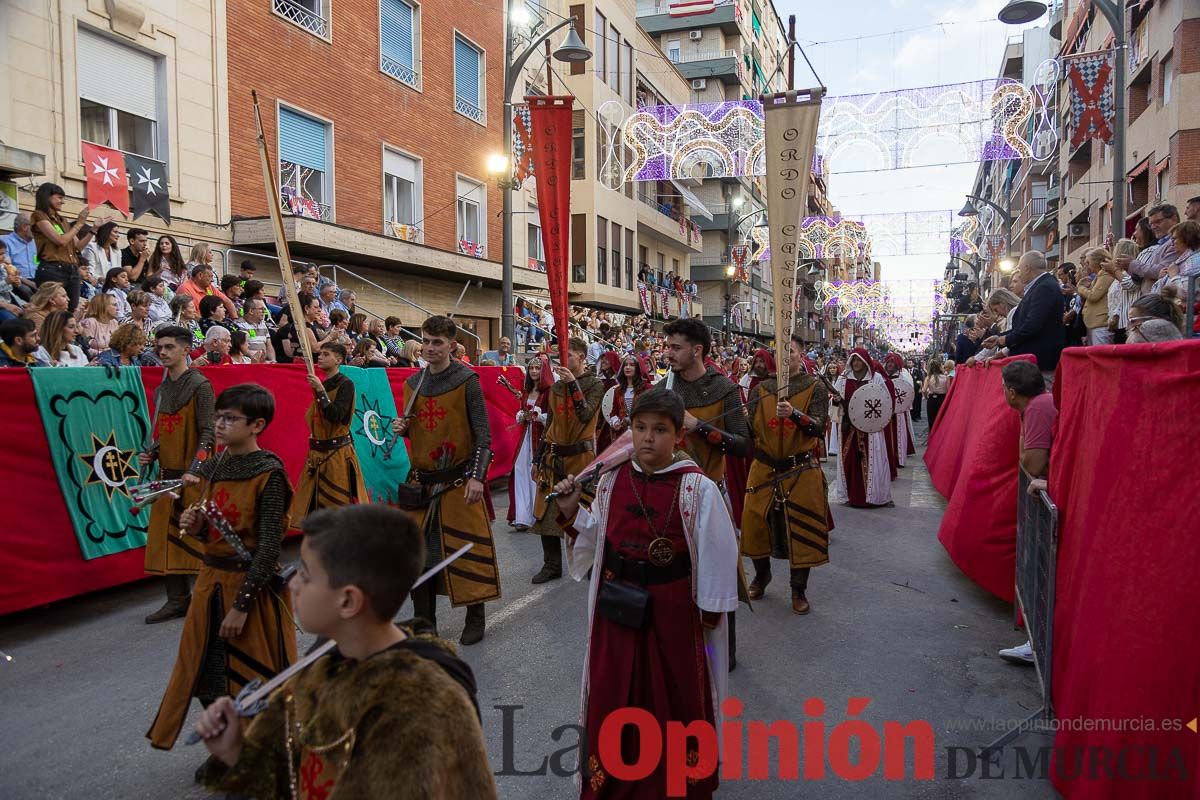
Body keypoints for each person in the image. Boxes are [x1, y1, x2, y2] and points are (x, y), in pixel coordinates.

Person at [193, 504, 498, 798]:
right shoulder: (319, 669)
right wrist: (235, 753)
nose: (292, 583)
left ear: (348, 602)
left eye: (306, 574)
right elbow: (292, 778)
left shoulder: (419, 702)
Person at [552, 388, 739, 799]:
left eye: (659, 430)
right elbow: (596, 539)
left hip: (673, 614)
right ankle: (612, 782)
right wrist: (569, 511)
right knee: (613, 692)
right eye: (640, 428)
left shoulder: (697, 489)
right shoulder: (611, 481)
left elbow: (717, 554)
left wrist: (704, 623)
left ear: (679, 437)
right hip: (616, 611)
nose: (648, 438)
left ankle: (675, 785)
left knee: (670, 698)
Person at [148, 383, 298, 749]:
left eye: (230, 418)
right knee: (205, 674)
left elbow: (266, 548)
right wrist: (197, 528)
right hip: (210, 582)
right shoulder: (214, 467)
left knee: (252, 675)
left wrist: (242, 607)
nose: (219, 424)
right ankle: (228, 748)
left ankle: (260, 753)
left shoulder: (269, 474)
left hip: (250, 588)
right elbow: (214, 534)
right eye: (217, 417)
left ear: (256, 425)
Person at [390, 316, 498, 643]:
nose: (429, 348)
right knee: (420, 556)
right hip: (421, 483)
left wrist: (477, 478)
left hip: (458, 482)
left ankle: (474, 617)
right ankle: (424, 622)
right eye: (425, 341)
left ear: (452, 345)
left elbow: (483, 434)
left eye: (437, 342)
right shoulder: (414, 383)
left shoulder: (467, 380)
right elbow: (424, 428)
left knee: (467, 552)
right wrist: (404, 428)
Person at [742, 334, 832, 616]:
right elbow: (751, 430)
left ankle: (798, 589)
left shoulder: (815, 388)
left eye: (791, 351)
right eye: (780, 352)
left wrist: (795, 414)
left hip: (800, 467)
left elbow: (818, 428)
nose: (786, 357)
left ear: (801, 353)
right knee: (755, 523)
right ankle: (762, 575)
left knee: (802, 528)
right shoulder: (761, 390)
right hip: (765, 466)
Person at [139, 326, 216, 622]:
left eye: (170, 346)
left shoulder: (200, 385)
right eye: (160, 346)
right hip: (167, 474)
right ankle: (177, 600)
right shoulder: (163, 388)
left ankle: (213, 595)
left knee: (200, 536)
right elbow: (169, 430)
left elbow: (207, 432)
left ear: (186, 349)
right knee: (167, 538)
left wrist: (196, 469)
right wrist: (154, 451)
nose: (163, 351)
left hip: (193, 474)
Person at [528, 338, 607, 585]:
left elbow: (585, 415)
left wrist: (573, 384)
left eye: (570, 356)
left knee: (582, 513)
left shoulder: (595, 385)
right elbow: (550, 423)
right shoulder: (556, 387)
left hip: (579, 458)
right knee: (545, 512)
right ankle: (551, 565)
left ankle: (590, 563)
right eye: (562, 357)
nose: (565, 361)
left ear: (583, 357)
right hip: (553, 457)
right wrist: (537, 458)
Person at [997, 360, 1056, 667]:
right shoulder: (1037, 406)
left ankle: (1038, 645)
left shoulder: (1036, 409)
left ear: (1012, 390)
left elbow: (1031, 464)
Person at [291, 343, 364, 520]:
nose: (320, 357)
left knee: (336, 505)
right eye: (320, 353)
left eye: (326, 354)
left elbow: (336, 415)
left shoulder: (346, 384)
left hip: (336, 454)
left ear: (338, 360)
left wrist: (321, 391)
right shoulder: (324, 383)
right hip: (318, 453)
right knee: (314, 506)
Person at [982, 251, 1065, 384]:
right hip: (1033, 362)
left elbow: (1032, 325)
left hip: (1040, 361)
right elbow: (1024, 325)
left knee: (1039, 401)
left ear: (1027, 268)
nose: (1019, 273)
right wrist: (999, 338)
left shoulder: (1045, 287)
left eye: (1019, 269)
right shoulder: (1040, 287)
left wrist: (1005, 339)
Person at [833, 349, 893, 508]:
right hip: (849, 427)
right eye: (853, 361)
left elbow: (884, 401)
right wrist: (837, 400)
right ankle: (851, 495)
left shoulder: (876, 378)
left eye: (859, 360)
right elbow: (833, 402)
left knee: (873, 460)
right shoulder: (843, 380)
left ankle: (873, 496)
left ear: (866, 362)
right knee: (850, 460)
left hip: (871, 429)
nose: (856, 364)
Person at [509, 352, 553, 531]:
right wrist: (521, 415)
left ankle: (537, 514)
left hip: (540, 439)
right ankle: (522, 516)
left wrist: (539, 416)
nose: (534, 371)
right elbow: (521, 409)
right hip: (526, 436)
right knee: (520, 471)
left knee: (536, 474)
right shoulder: (527, 390)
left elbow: (552, 416)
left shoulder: (549, 391)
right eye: (531, 368)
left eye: (537, 368)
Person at [31, 182, 90, 312]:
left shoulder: (62, 220)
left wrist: (94, 230)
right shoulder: (39, 215)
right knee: (53, 311)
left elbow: (78, 247)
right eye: (59, 197)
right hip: (53, 269)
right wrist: (79, 224)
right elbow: (60, 241)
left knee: (71, 310)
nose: (62, 202)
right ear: (47, 197)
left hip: (72, 269)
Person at [1076, 247, 1116, 345]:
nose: (1087, 266)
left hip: (1101, 324)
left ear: (1096, 262)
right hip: (1094, 324)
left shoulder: (1106, 275)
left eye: (1088, 263)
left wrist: (1080, 287)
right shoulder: (1099, 275)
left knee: (1102, 356)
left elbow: (1094, 295)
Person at [883, 353, 916, 468]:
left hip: (899, 411)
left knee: (899, 434)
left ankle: (899, 459)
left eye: (892, 362)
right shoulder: (882, 377)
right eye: (889, 362)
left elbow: (908, 392)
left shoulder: (903, 377)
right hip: (886, 411)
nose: (890, 364)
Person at [3, 214, 39, 295]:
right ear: (24, 227)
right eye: (36, 227)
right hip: (17, 280)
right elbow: (8, 268)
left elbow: (37, 262)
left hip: (37, 279)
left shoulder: (35, 242)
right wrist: (30, 283)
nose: (39, 230)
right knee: (26, 291)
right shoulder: (5, 241)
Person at [234, 297, 276, 363]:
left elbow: (269, 345)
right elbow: (244, 349)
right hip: (249, 362)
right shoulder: (239, 324)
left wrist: (273, 360)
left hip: (263, 362)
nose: (264, 311)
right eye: (261, 309)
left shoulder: (263, 324)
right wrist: (261, 361)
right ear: (251, 311)